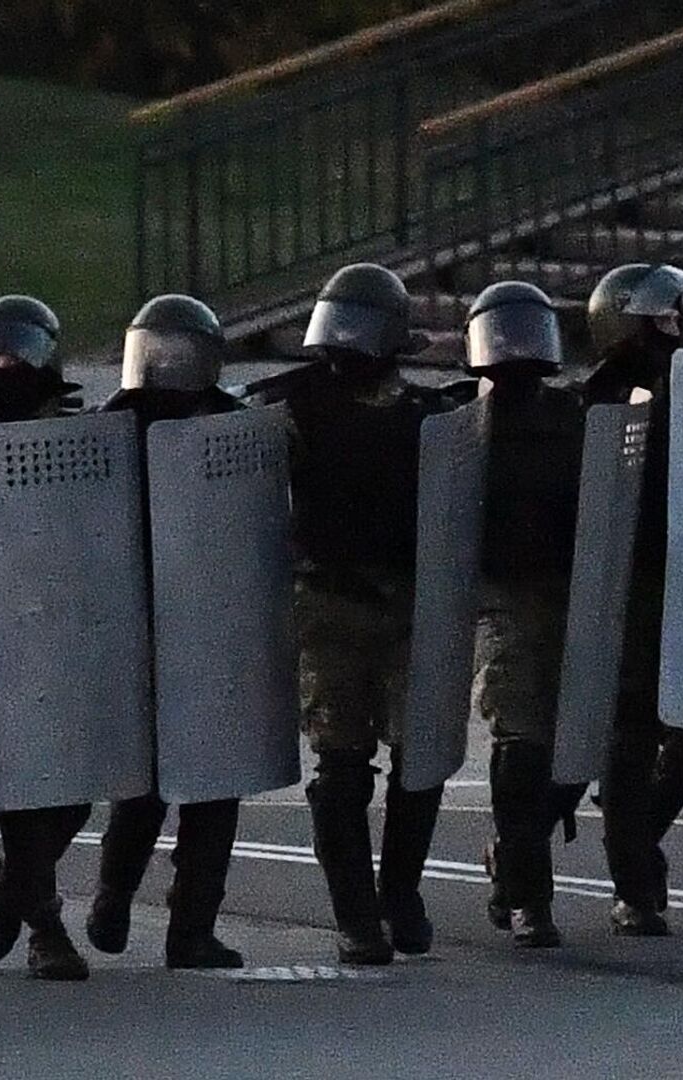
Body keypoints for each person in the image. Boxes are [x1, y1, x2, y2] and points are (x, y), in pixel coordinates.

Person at [277, 264, 464, 964]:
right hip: (328, 603)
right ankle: (357, 915)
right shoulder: (295, 407)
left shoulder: (430, 417)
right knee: (342, 759)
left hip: (411, 601)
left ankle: (400, 895)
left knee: (421, 757)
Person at [86, 294, 249, 970]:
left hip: (215, 619)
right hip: (140, 623)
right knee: (145, 782)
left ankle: (191, 927)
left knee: (212, 783)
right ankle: (113, 897)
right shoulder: (111, 429)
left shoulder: (237, 430)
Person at [0, 296, 93, 981]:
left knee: (77, 786)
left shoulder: (77, 430)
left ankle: (15, 886)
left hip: (68, 624)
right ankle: (46, 926)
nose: (2, 368)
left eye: (14, 356)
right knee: (19, 787)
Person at [584, 263, 683, 937]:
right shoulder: (607, 399)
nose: (674, 331)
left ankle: (636, 841)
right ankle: (632, 882)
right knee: (627, 736)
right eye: (661, 320)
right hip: (626, 589)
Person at [468, 281, 584, 949]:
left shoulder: (574, 416)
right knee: (520, 745)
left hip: (573, 590)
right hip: (503, 597)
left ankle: (511, 860)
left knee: (584, 745)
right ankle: (528, 897)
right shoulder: (464, 425)